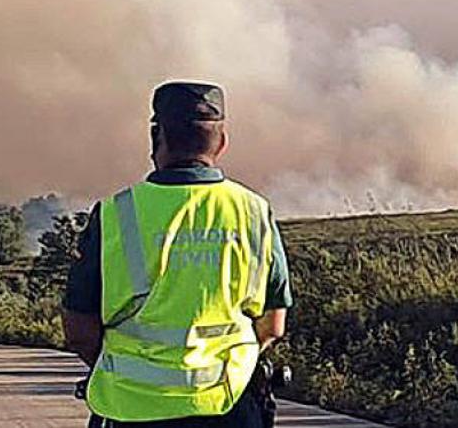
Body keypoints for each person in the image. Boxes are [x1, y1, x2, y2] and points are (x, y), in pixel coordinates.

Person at [63, 82, 293, 428]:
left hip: (132, 411)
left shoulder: (115, 214)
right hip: (230, 409)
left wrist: (124, 371)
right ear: (222, 141)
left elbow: (79, 329)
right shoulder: (254, 213)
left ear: (157, 138)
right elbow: (273, 324)